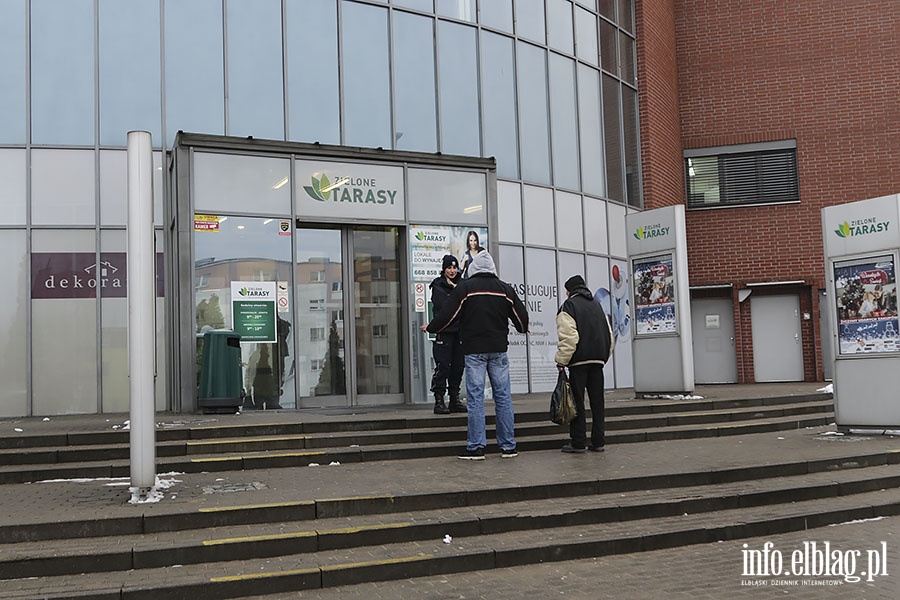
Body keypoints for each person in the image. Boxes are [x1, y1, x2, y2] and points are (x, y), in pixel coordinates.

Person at [426, 249, 528, 460]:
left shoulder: (466, 289)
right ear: (492, 268)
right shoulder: (505, 289)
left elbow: (447, 315)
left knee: (475, 398)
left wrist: (431, 328)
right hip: (499, 350)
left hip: (474, 351)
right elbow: (522, 321)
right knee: (503, 397)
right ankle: (508, 446)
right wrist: (518, 327)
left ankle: (476, 447)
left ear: (473, 268)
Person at [555, 275, 615, 453]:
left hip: (579, 362)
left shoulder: (569, 306)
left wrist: (561, 360)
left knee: (577, 402)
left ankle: (579, 441)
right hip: (597, 362)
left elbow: (569, 337)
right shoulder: (597, 306)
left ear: (569, 290)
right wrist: (603, 356)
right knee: (598, 403)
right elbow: (609, 335)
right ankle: (598, 441)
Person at [425, 255, 467, 414]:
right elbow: (444, 307)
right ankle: (439, 400)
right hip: (444, 332)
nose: (452, 271)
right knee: (443, 366)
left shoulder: (463, 284)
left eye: (455, 267)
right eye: (449, 268)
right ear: (444, 269)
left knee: (458, 366)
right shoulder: (438, 285)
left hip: (460, 333)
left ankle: (454, 399)